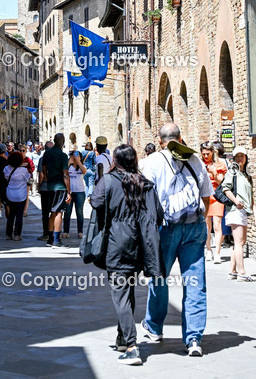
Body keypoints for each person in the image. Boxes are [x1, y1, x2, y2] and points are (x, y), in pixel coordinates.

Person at [139, 122, 211, 357]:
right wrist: (202, 224)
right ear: (180, 138)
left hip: (165, 228)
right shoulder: (195, 160)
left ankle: (154, 327)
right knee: (195, 282)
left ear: (159, 141)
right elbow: (206, 196)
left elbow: (145, 201)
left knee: (159, 277)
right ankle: (193, 339)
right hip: (194, 226)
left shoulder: (150, 162)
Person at [89, 144, 163, 366]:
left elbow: (95, 201)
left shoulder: (109, 180)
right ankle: (122, 338)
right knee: (128, 291)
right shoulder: (145, 183)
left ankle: (131, 347)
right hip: (139, 244)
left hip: (117, 243)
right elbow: (157, 213)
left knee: (120, 295)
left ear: (116, 160)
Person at [219, 148, 256, 282]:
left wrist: (255, 211)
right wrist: (236, 202)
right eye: (237, 156)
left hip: (243, 210)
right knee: (239, 242)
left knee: (240, 242)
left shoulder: (246, 175)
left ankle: (233, 270)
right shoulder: (233, 171)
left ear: (246, 157)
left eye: (242, 156)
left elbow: (251, 196)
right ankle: (242, 272)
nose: (239, 159)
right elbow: (225, 188)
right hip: (235, 210)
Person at [39, 132, 71, 247]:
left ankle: (50, 238)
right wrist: (68, 191)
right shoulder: (62, 156)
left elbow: (43, 168)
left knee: (52, 212)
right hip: (60, 186)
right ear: (62, 141)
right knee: (59, 213)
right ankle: (57, 240)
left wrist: (47, 180)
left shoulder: (47, 153)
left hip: (50, 186)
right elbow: (65, 174)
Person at [201, 142, 227, 264]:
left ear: (212, 152)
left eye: (208, 154)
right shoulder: (199, 164)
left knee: (217, 225)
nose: (206, 156)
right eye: (204, 154)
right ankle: (209, 250)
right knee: (207, 226)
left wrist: (213, 172)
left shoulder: (219, 164)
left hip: (216, 196)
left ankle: (217, 253)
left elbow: (221, 181)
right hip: (204, 196)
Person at [3, 151, 31, 240]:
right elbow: (28, 179)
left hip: (10, 194)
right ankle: (17, 234)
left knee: (11, 214)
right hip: (21, 195)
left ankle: (8, 233)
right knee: (19, 215)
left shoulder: (6, 169)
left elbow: (5, 177)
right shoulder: (23, 170)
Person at [63, 145, 88, 239]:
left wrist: (78, 162)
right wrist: (70, 161)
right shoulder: (68, 166)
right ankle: (66, 231)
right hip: (70, 192)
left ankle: (80, 231)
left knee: (79, 212)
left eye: (78, 155)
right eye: (74, 155)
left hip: (80, 192)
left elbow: (84, 171)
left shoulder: (82, 166)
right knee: (67, 212)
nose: (75, 157)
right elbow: (64, 172)